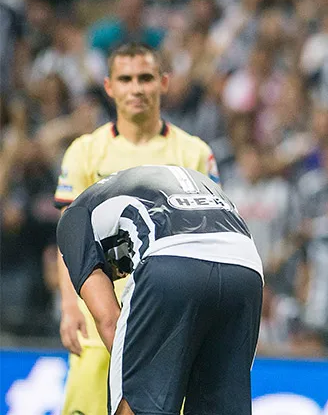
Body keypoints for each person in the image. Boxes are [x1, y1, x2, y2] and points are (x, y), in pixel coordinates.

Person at [54, 42, 219, 415]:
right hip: (99, 314)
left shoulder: (194, 153)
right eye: (125, 79)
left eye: (145, 78)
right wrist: (69, 305)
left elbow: (212, 238)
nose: (136, 88)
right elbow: (69, 238)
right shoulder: (85, 151)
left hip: (167, 320)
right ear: (109, 87)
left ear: (163, 83)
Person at [57, 165, 263, 414]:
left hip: (169, 258)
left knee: (138, 403)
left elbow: (109, 320)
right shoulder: (182, 179)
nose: (121, 275)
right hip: (246, 267)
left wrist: (157, 373)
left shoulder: (74, 218)